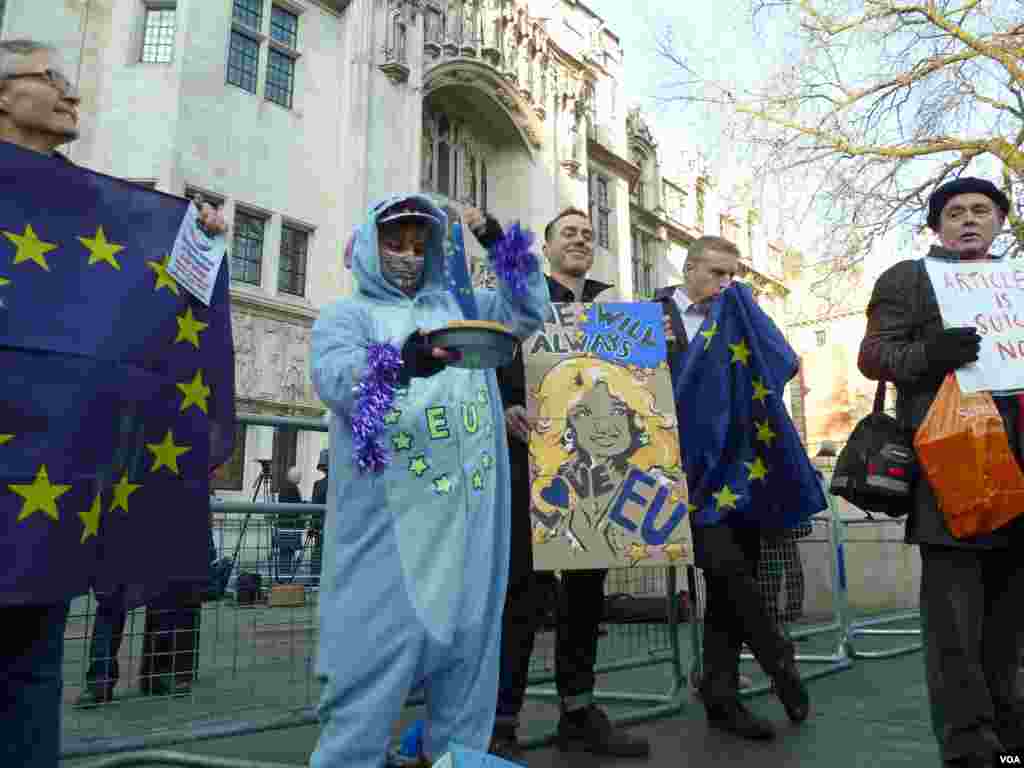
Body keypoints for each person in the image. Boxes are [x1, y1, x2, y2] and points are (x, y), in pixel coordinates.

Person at [0, 39, 227, 768]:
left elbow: (152, 305)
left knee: (33, 667)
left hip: (50, 479)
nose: (72, 93)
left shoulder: (97, 207)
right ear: (4, 94)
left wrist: (199, 243)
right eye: (51, 79)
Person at [308, 195, 549, 768]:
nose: (409, 256)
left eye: (421, 245)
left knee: (468, 666)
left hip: (471, 526)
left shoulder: (462, 305)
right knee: (370, 661)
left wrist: (493, 234)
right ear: (371, 244)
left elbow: (528, 308)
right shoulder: (347, 317)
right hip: (389, 526)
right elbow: (340, 381)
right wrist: (407, 359)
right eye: (396, 242)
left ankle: (457, 758)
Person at [858, 176, 1023, 767]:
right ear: (937, 226)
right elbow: (873, 355)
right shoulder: (907, 278)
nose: (970, 219)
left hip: (1020, 466)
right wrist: (931, 355)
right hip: (950, 466)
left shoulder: (1018, 281)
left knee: (1011, 623)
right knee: (955, 624)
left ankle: (1014, 738)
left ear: (1002, 221)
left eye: (983, 210)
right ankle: (969, 745)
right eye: (955, 212)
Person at [490, 207, 651, 762]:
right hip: (527, 460)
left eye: (587, 233)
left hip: (593, 470)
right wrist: (503, 406)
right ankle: (501, 722)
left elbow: (637, 382)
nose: (580, 239)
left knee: (586, 596)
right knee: (522, 594)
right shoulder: (520, 300)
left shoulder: (613, 309)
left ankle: (579, 712)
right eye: (569, 233)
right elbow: (488, 361)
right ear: (548, 247)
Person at [653, 235, 809, 741]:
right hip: (675, 476)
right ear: (690, 268)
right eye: (718, 274)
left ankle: (722, 697)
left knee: (727, 588)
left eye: (732, 275)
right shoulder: (646, 315)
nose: (726, 284)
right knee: (727, 570)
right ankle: (775, 653)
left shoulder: (739, 313)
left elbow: (782, 363)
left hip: (736, 474)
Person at [274, 466, 305, 583]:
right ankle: (284, 579)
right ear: (295, 477)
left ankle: (284, 578)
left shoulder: (285, 487)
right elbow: (294, 509)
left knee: (285, 554)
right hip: (290, 527)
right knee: (287, 554)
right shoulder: (291, 488)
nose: (300, 479)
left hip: (285, 527)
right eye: (299, 477)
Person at [309, 450, 328, 583]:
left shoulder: (319, 485)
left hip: (321, 526)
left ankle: (316, 579)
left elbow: (315, 510)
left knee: (319, 553)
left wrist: (312, 526)